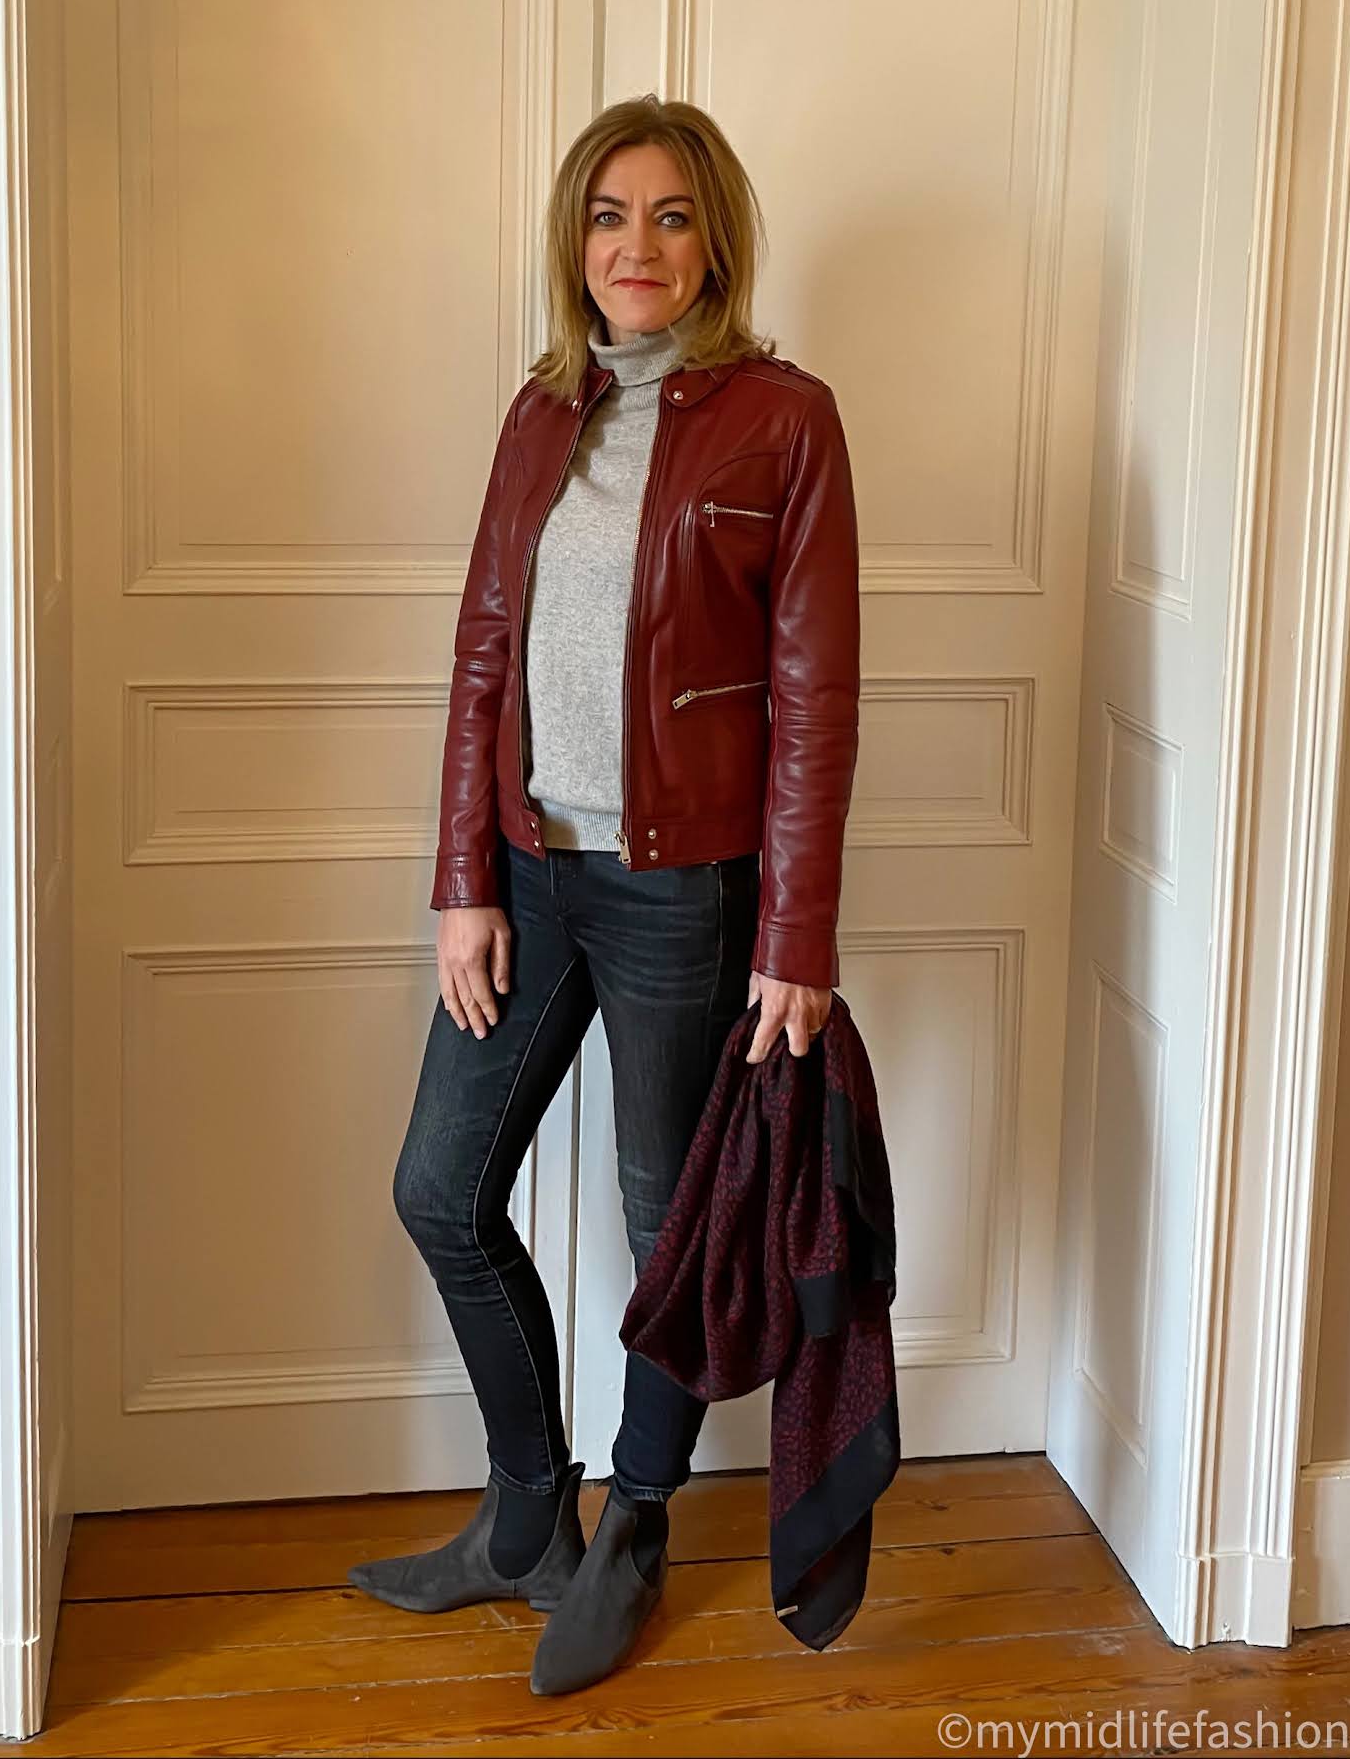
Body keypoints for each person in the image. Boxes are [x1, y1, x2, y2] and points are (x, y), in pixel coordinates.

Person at [347, 94, 860, 1695]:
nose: (636, 246)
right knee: (442, 1191)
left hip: (681, 893)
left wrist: (796, 935)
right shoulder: (541, 411)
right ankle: (527, 1520)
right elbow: (481, 654)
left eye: (672, 215)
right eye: (608, 215)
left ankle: (634, 1527)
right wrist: (464, 881)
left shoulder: (785, 420)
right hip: (528, 874)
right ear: (575, 241)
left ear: (717, 240)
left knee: (664, 1235)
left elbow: (815, 695)